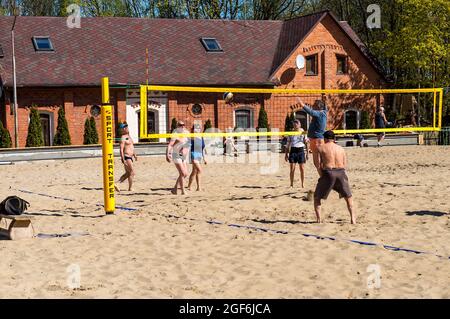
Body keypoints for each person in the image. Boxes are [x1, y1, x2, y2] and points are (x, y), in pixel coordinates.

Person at [313, 130, 355, 224]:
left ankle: (319, 220)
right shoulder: (341, 149)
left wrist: (322, 176)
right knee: (348, 197)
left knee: (317, 197)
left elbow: (318, 165)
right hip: (341, 172)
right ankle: (353, 219)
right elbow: (344, 164)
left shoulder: (320, 148)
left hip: (328, 172)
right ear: (334, 138)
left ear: (325, 139)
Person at [297, 98, 328, 175]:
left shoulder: (319, 113)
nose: (312, 107)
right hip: (320, 140)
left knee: (317, 163)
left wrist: (301, 104)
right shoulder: (324, 112)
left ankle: (323, 179)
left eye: (313, 105)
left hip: (316, 140)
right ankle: (324, 178)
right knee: (321, 162)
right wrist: (325, 100)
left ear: (317, 106)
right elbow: (325, 107)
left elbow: (310, 111)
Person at [166, 121, 190, 195]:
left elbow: (188, 143)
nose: (182, 126)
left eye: (183, 125)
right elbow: (170, 145)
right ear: (177, 126)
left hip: (184, 156)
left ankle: (175, 188)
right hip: (176, 155)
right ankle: (183, 191)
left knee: (185, 174)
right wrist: (167, 154)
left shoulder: (186, 133)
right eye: (180, 125)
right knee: (182, 173)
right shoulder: (175, 134)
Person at [285, 119, 309, 188]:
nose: (295, 125)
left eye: (296, 124)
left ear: (299, 125)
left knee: (302, 169)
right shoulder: (291, 133)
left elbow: (307, 143)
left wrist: (307, 153)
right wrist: (286, 154)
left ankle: (302, 184)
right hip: (293, 150)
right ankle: (291, 184)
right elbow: (287, 144)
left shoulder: (303, 132)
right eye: (294, 124)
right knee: (292, 169)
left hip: (301, 150)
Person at [117, 122, 137, 192]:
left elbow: (131, 146)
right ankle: (128, 187)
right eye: (125, 128)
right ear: (123, 129)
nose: (127, 129)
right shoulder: (123, 138)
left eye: (127, 127)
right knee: (132, 172)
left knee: (128, 173)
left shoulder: (129, 136)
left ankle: (119, 184)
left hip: (130, 157)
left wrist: (134, 154)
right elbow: (121, 149)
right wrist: (123, 159)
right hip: (126, 157)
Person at [188, 125, 207, 191]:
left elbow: (203, 148)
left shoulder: (201, 137)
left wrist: (204, 159)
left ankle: (189, 186)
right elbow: (187, 146)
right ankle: (199, 187)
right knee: (199, 170)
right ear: (193, 129)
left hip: (199, 155)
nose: (197, 130)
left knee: (194, 171)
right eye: (196, 129)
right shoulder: (192, 137)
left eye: (199, 128)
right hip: (193, 155)